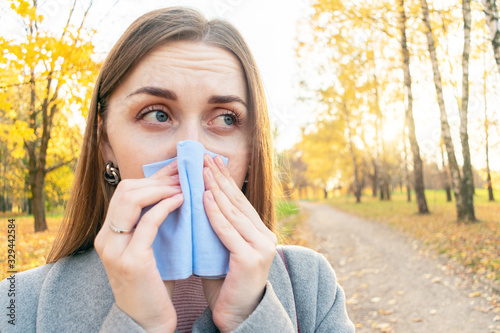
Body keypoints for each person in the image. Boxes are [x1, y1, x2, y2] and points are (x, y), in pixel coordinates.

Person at [0, 7, 354, 333]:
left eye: (226, 119)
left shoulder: (312, 288)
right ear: (104, 141)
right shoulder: (17, 305)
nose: (191, 152)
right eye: (157, 114)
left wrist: (251, 318)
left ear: (251, 150)